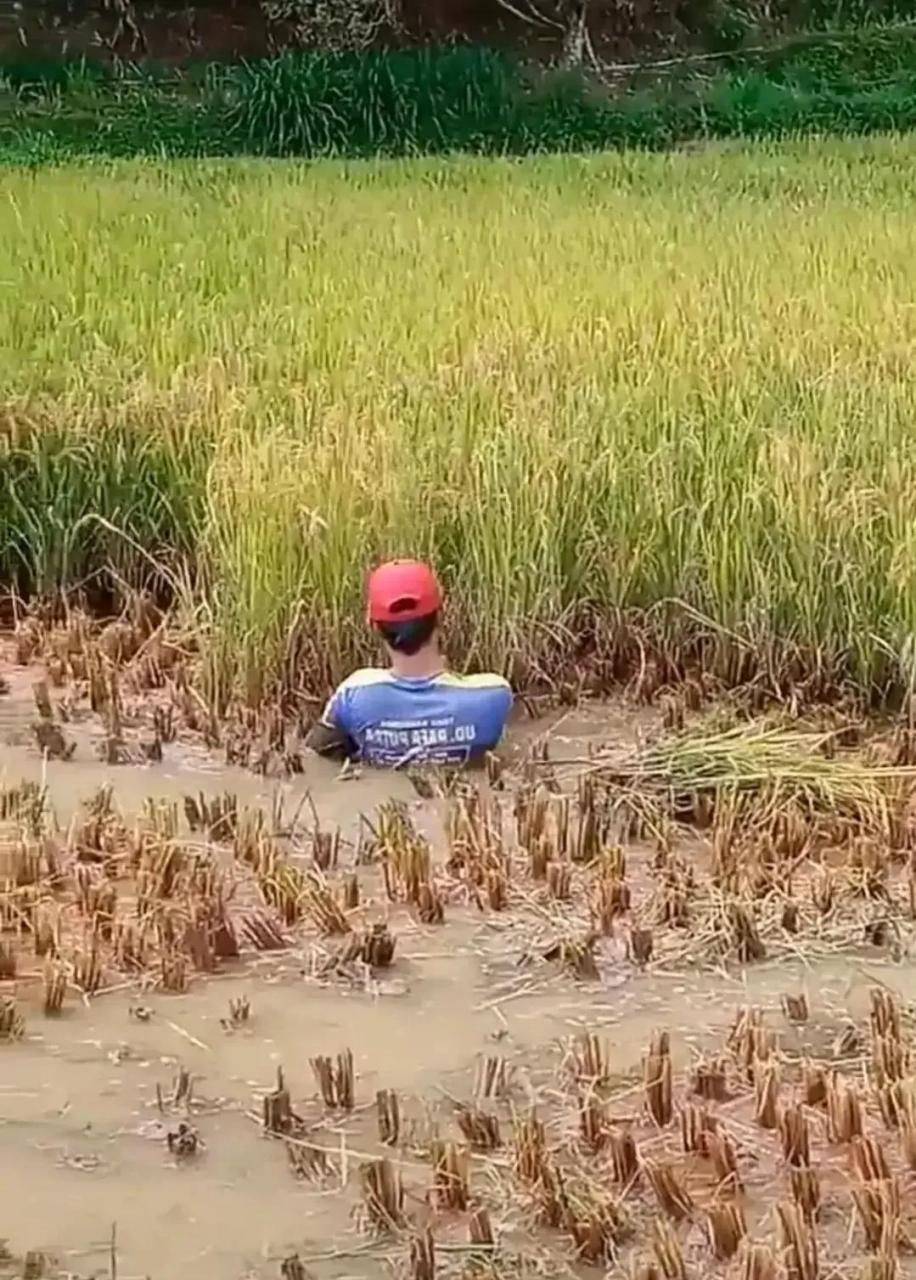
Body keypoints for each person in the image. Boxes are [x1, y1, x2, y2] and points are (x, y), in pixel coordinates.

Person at [305, 560, 512, 767]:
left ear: (372, 625)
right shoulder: (494, 695)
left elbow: (317, 756)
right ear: (441, 616)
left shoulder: (353, 696)